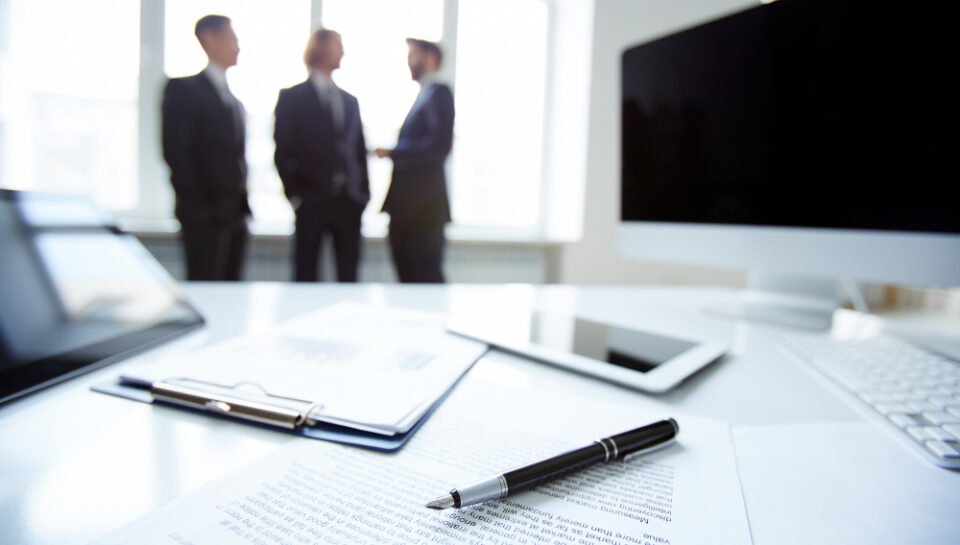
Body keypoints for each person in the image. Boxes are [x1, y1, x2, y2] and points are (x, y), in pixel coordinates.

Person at [274, 29, 370, 282]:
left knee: (349, 275)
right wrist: (295, 195)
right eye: (339, 45)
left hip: (348, 202)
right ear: (321, 48)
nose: (343, 52)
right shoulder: (293, 98)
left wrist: (363, 194)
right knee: (306, 273)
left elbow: (358, 151)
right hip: (311, 200)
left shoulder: (350, 101)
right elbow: (283, 151)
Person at [162, 14, 249, 281]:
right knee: (205, 283)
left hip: (236, 216)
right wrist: (198, 210)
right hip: (203, 216)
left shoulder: (234, 100)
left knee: (232, 289)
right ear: (209, 38)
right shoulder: (183, 90)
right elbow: (176, 153)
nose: (237, 47)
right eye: (232, 39)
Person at [375, 38, 454, 283]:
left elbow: (439, 146)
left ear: (430, 57)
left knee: (424, 276)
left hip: (423, 208)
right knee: (408, 275)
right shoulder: (424, 94)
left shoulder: (439, 93)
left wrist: (394, 152)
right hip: (409, 207)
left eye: (413, 55)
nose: (408, 61)